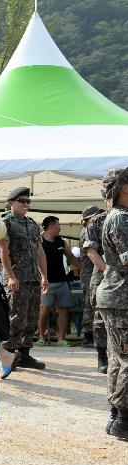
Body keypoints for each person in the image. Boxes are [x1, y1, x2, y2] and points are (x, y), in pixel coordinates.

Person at [0, 187, 49, 370]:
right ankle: (8, 356)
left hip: (33, 278)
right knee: (16, 317)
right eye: (22, 201)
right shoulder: (5, 223)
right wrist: (10, 276)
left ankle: (25, 355)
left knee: (31, 318)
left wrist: (44, 276)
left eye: (28, 201)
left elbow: (40, 252)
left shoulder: (33, 224)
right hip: (17, 278)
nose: (26, 204)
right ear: (11, 202)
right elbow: (3, 251)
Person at [95, 168, 128, 440]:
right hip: (121, 297)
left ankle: (117, 417)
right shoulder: (122, 218)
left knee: (119, 358)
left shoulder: (116, 216)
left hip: (117, 296)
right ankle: (122, 419)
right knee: (125, 358)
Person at [37, 216, 79, 346]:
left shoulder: (61, 241)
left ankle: (61, 339)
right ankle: (41, 337)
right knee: (44, 309)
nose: (60, 228)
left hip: (62, 281)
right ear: (50, 227)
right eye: (58, 225)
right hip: (45, 282)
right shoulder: (38, 240)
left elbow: (70, 256)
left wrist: (80, 269)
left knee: (64, 308)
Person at [83, 185, 112, 374]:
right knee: (100, 318)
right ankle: (102, 356)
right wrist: (108, 271)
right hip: (103, 275)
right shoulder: (97, 221)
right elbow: (91, 251)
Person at [78, 206, 103, 348]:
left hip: (90, 272)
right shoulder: (86, 232)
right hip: (89, 274)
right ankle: (88, 335)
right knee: (90, 304)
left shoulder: (90, 230)